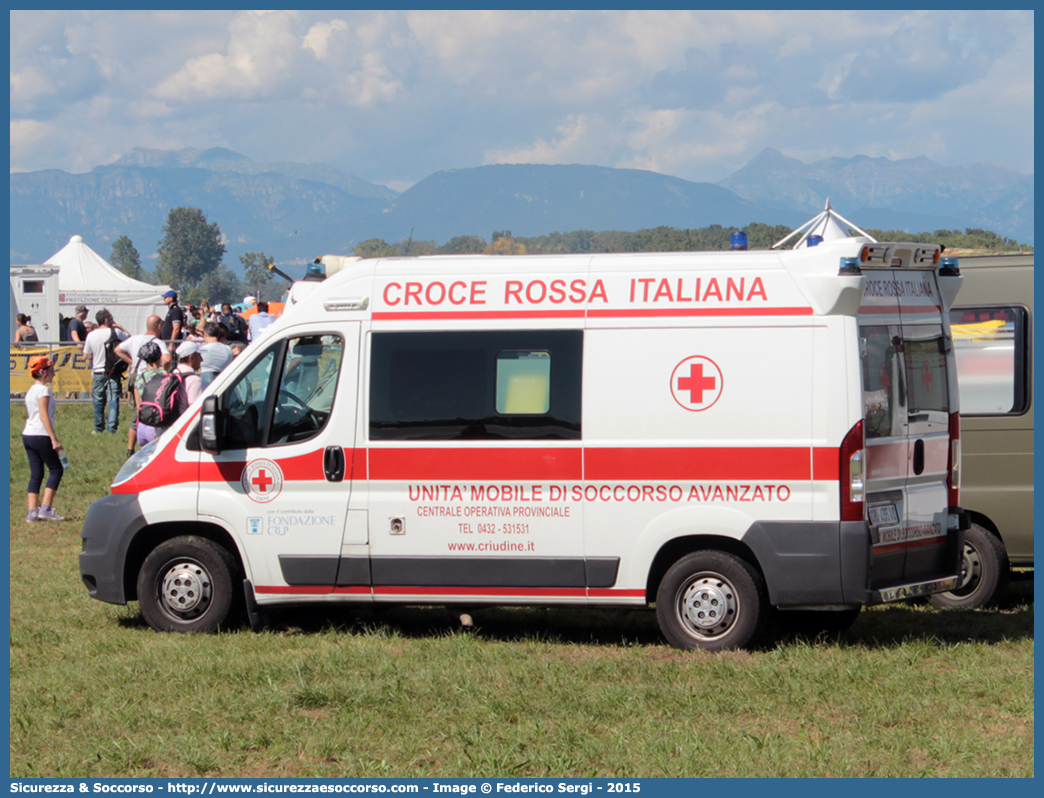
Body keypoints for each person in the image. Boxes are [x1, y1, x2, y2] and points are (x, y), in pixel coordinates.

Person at [116, 314, 168, 457]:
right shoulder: (158, 342)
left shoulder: (134, 339)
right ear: (159, 326)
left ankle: (130, 448)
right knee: (154, 411)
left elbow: (118, 349)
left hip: (137, 379)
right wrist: (165, 370)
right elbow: (167, 358)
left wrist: (132, 362)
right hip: (153, 380)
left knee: (138, 412)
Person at [22, 355, 66, 522]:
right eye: (52, 371)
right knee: (56, 470)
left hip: (28, 434)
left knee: (36, 473)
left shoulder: (31, 389)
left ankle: (32, 512)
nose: (54, 375)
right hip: (41, 434)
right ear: (42, 372)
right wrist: (53, 438)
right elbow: (43, 415)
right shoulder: (42, 390)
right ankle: (46, 509)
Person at [82, 308, 128, 434]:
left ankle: (98, 428)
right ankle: (111, 428)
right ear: (106, 319)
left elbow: (86, 355)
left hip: (97, 371)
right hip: (113, 371)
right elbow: (130, 340)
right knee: (113, 399)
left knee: (98, 401)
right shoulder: (116, 332)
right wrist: (121, 328)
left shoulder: (91, 335)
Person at [133, 341, 166, 449]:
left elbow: (138, 406)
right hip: (156, 425)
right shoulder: (164, 376)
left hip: (142, 425)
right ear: (159, 356)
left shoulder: (139, 378)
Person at [200, 321, 234, 388]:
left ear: (205, 333)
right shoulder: (228, 349)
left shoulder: (202, 349)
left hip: (205, 381)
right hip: (223, 381)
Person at [174, 340, 204, 413]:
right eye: (199, 355)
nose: (202, 360)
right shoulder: (194, 380)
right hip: (183, 421)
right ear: (192, 358)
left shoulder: (173, 373)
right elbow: (194, 410)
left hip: (170, 421)